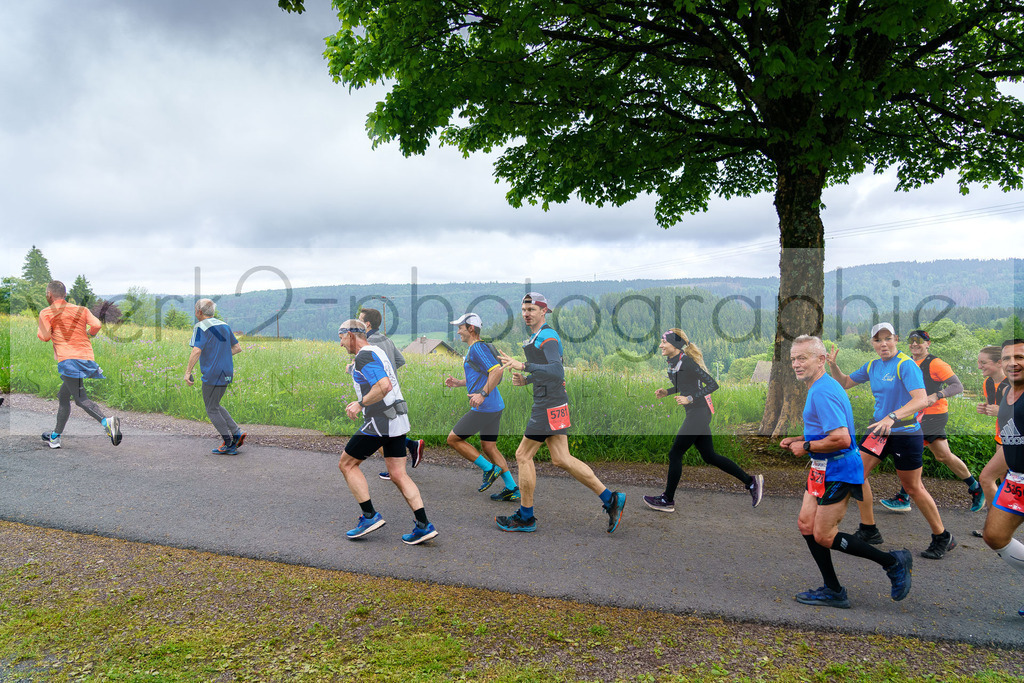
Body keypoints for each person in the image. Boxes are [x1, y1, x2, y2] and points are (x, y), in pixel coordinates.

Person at [781, 336, 912, 608]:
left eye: (802, 358)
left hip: (839, 468)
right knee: (806, 524)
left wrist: (804, 446)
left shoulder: (823, 391)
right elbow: (828, 430)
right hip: (822, 467)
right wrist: (799, 439)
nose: (796, 363)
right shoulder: (820, 385)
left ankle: (892, 561)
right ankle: (833, 589)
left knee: (824, 535)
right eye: (793, 358)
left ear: (822, 360)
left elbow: (841, 438)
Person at [494, 292, 626, 533]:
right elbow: (546, 372)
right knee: (561, 458)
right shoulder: (536, 337)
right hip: (555, 402)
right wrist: (527, 380)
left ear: (544, 312)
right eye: (524, 309)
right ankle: (611, 499)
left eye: (532, 310)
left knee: (523, 455)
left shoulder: (548, 336)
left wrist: (523, 365)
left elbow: (557, 370)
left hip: (548, 404)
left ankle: (526, 517)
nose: (526, 313)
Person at [827, 322, 955, 559]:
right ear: (872, 343)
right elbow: (844, 383)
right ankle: (869, 529)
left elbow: (921, 400)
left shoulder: (905, 365)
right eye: (877, 340)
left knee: (913, 488)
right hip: (879, 430)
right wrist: (833, 365)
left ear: (896, 339)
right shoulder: (873, 366)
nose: (883, 344)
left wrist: (892, 416)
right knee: (856, 474)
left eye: (887, 338)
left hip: (905, 432)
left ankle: (942, 536)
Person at [337, 319, 437, 545]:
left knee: (347, 464)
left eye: (341, 337)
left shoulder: (364, 355)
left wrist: (360, 403)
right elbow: (377, 372)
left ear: (351, 335)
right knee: (398, 474)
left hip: (380, 421)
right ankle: (423, 526)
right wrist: (353, 368)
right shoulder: (375, 351)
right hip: (397, 420)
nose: (340, 344)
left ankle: (370, 517)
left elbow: (383, 385)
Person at [643, 329, 763, 512]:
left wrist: (690, 398)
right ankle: (751, 481)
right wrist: (667, 391)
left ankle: (667, 499)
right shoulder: (674, 361)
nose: (660, 345)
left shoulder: (687, 362)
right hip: (696, 413)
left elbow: (713, 384)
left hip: (698, 412)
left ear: (674, 345)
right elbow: (683, 384)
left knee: (675, 453)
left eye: (664, 342)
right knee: (709, 456)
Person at [879, 329, 984, 513]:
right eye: (911, 340)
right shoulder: (907, 362)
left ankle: (904, 497)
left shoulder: (935, 363)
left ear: (928, 343)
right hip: (916, 414)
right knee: (943, 455)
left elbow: (958, 386)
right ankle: (975, 487)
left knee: (911, 450)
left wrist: (937, 395)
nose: (914, 344)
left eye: (919, 341)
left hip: (933, 415)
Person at [443, 312, 520, 501]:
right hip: (495, 405)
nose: (458, 331)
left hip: (485, 407)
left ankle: (489, 469)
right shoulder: (474, 349)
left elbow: (496, 372)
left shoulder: (477, 348)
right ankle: (512, 488)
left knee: (453, 439)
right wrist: (459, 383)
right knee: (489, 447)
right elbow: (481, 376)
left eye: (461, 327)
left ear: (471, 329)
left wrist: (482, 395)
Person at [37, 280, 121, 448]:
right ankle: (55, 437)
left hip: (69, 360)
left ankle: (107, 422)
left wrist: (47, 330)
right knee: (63, 396)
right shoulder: (81, 310)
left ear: (49, 295)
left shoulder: (46, 312)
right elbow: (97, 324)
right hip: (86, 357)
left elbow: (45, 337)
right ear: (65, 295)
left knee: (81, 399)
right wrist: (89, 334)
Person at [980, 339, 1024, 616]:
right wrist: (992, 473)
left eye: (1019, 356)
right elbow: (1011, 438)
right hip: (1016, 478)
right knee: (994, 536)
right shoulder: (1007, 391)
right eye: (1007, 358)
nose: (1012, 362)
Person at [357, 308, 424, 479]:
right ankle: (411, 446)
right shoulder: (387, 339)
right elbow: (400, 360)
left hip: (378, 393)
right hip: (392, 391)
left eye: (359, 321)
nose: (357, 324)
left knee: (379, 432)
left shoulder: (368, 343)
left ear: (367, 324)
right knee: (389, 430)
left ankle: (395, 469)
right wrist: (389, 373)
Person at [185, 299, 245, 455]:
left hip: (213, 372)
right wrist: (219, 355)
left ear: (199, 312)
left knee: (211, 408)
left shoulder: (200, 327)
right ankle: (236, 432)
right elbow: (237, 348)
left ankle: (229, 443)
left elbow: (196, 351)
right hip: (227, 371)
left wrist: (187, 372)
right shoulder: (224, 325)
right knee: (215, 404)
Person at [972, 345, 1010, 537]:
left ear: (999, 362)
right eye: (979, 362)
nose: (979, 366)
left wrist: (1001, 411)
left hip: (1016, 440)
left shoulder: (1014, 383)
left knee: (987, 478)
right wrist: (986, 408)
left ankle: (994, 526)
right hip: (1001, 437)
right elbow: (998, 412)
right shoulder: (988, 383)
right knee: (1005, 483)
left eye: (983, 362)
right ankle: (1001, 527)